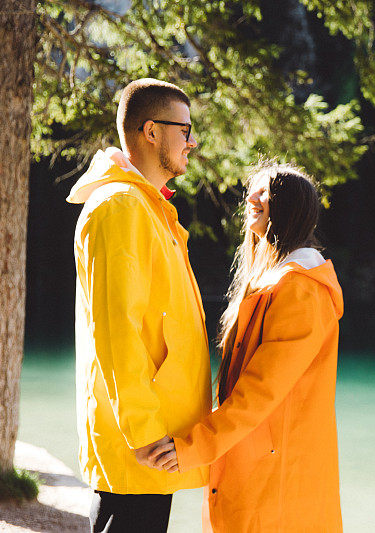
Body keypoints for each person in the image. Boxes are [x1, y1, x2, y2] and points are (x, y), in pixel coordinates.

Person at [144, 161, 344, 532]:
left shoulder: (302, 291)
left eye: (266, 191)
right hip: (256, 465)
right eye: (253, 189)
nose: (251, 197)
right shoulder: (274, 281)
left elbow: (259, 393)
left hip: (278, 478)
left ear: (290, 208)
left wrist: (193, 447)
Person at [68, 78, 212, 532]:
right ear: (151, 132)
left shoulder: (148, 207)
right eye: (184, 130)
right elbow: (115, 331)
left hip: (153, 441)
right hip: (141, 442)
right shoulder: (120, 207)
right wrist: (145, 430)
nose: (193, 142)